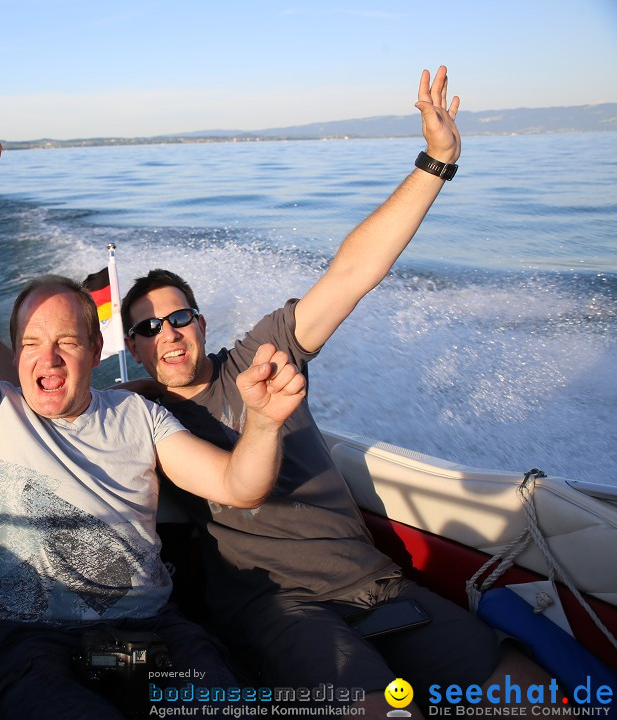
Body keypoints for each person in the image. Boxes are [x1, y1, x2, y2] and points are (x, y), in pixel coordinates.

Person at [118, 67, 544, 711]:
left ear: (201, 324)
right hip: (278, 608)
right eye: (148, 327)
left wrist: (437, 162)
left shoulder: (262, 355)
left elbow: (351, 273)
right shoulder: (138, 411)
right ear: (133, 349)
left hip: (377, 582)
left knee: (524, 690)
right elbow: (38, 394)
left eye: (180, 317)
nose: (168, 334)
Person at [0, 117, 308, 720]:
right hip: (27, 642)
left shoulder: (138, 414)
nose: (47, 358)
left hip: (147, 637)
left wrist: (263, 422)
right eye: (31, 344)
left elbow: (239, 485)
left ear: (97, 353)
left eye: (67, 342)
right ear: (14, 355)